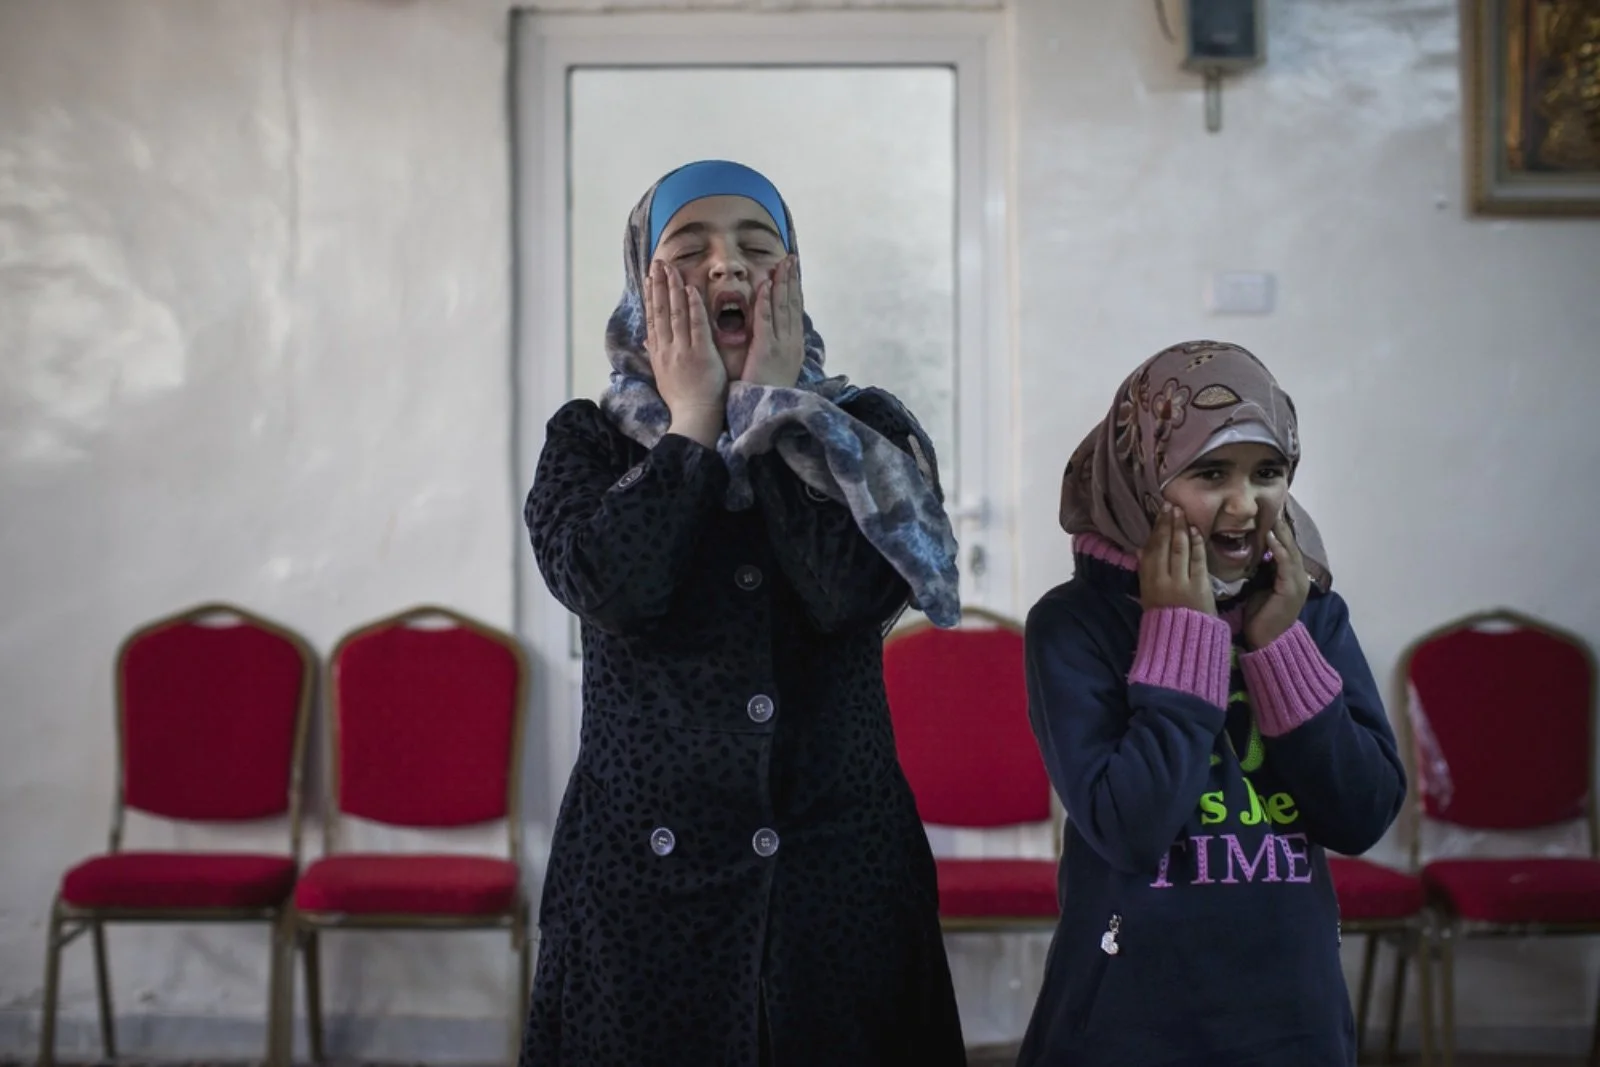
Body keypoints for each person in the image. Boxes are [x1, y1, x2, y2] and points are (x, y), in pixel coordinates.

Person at [519, 159, 967, 1067]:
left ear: (792, 278)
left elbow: (846, 595)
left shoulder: (867, 433)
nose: (727, 265)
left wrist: (772, 411)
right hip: (644, 889)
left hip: (837, 879)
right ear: (643, 282)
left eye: (758, 247)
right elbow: (613, 588)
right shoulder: (588, 439)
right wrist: (692, 424)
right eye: (690, 248)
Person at [1019, 340, 1406, 1067]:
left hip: (1292, 1023)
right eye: (1209, 472)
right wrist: (1185, 638)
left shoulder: (1310, 612)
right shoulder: (1073, 625)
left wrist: (1279, 646)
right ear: (1142, 476)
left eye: (1268, 472)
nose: (1244, 503)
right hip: (1125, 1026)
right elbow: (1130, 826)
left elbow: (1362, 814)